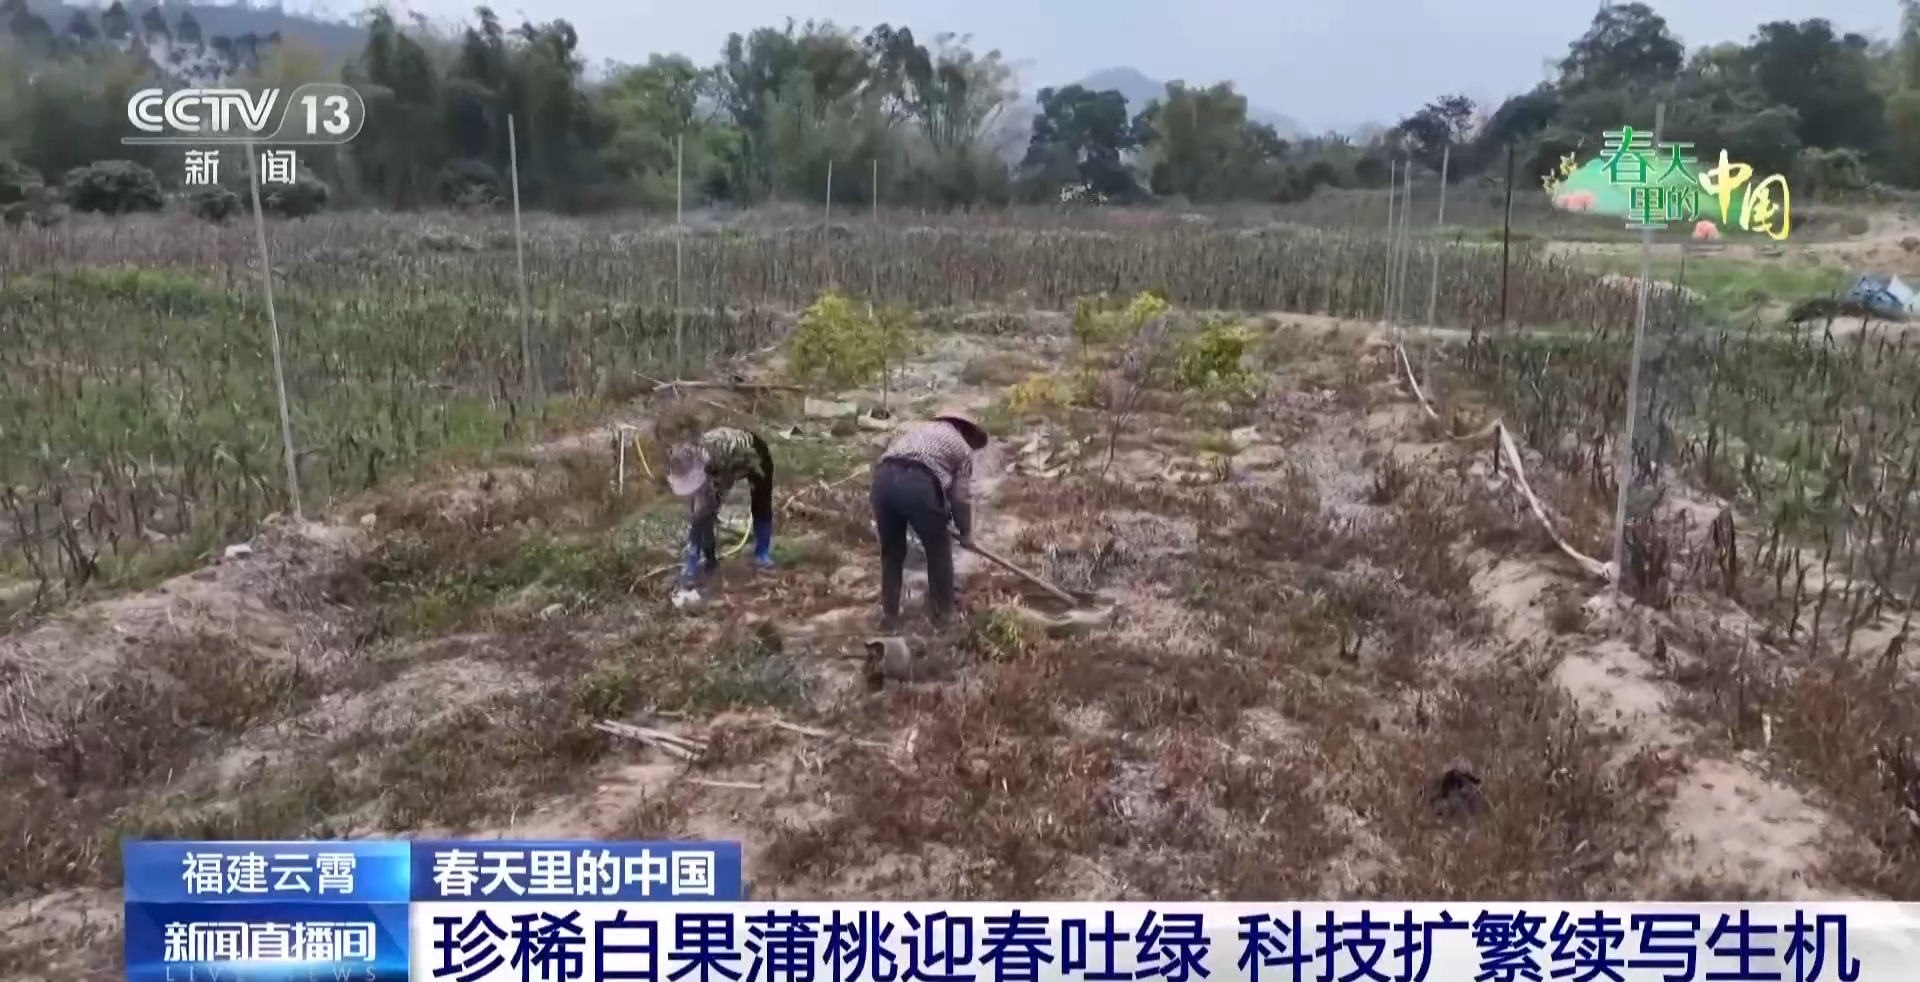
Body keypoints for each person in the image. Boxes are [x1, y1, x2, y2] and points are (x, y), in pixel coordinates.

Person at [871, 409, 989, 631]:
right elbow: (960, 497)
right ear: (967, 432)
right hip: (918, 482)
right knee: (939, 549)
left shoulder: (915, 430)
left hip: (882, 480)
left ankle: (890, 617)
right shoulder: (962, 448)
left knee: (892, 554)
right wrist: (965, 532)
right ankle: (944, 616)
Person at [666, 425, 776, 587]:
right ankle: (709, 559)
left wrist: (693, 552)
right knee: (703, 513)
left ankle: (762, 553)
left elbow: (709, 507)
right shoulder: (683, 461)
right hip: (720, 462)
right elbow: (698, 513)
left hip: (754, 453)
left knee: (761, 499)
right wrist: (698, 555)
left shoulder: (718, 462)